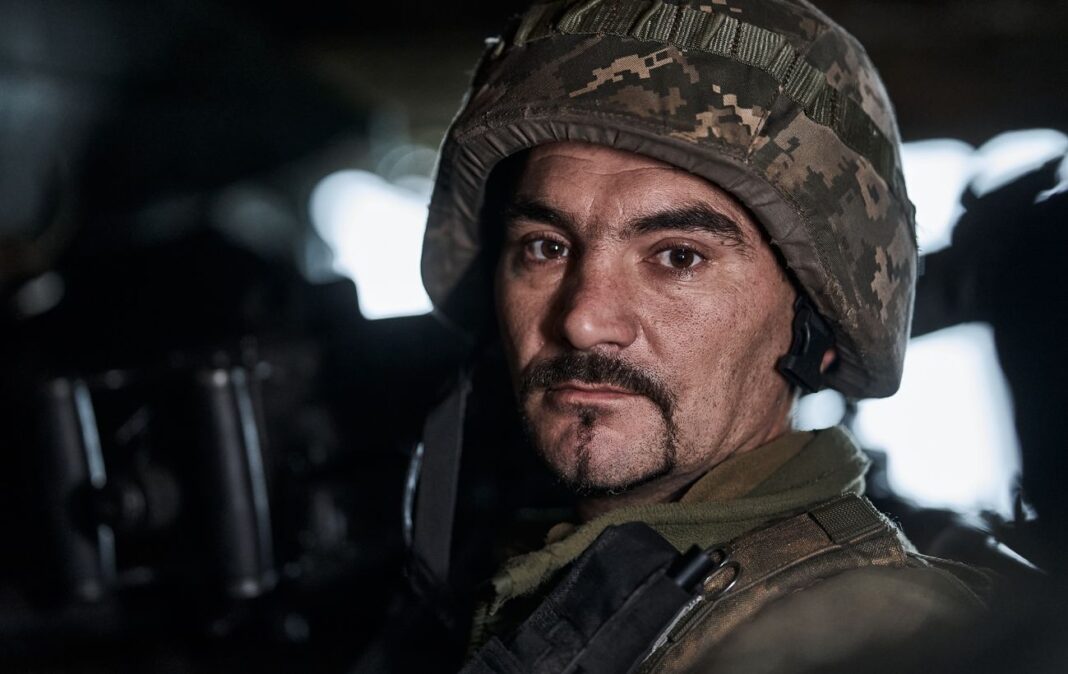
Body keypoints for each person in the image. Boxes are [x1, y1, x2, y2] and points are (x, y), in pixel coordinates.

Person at [405, 0, 992, 671]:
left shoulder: (871, 635)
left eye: (678, 257)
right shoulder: (525, 571)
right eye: (546, 247)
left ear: (818, 321)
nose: (583, 320)